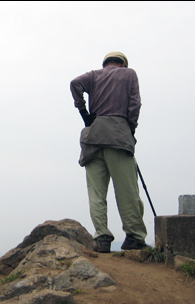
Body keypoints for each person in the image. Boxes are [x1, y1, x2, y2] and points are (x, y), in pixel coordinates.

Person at [70, 51, 148, 253]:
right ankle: (134, 236)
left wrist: (84, 113)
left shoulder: (94, 76)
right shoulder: (129, 74)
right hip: (118, 137)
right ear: (123, 64)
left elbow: (74, 84)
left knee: (96, 193)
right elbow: (135, 104)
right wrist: (130, 129)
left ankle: (102, 237)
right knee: (127, 191)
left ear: (105, 64)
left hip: (93, 138)